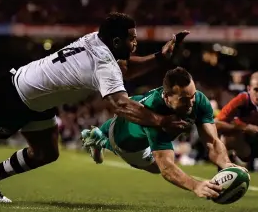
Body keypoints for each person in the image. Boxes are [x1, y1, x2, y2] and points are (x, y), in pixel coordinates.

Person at [0, 12, 189, 202]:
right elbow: (121, 104)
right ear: (117, 41)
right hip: (13, 97)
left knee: (46, 153)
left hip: (36, 99)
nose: (136, 44)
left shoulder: (98, 39)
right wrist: (160, 122)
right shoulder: (104, 62)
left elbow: (123, 69)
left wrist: (161, 58)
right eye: (132, 39)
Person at [81, 67, 244, 199]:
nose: (190, 104)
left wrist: (226, 164)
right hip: (124, 139)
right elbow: (166, 167)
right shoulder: (156, 114)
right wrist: (196, 186)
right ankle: (101, 140)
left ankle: (96, 135)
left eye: (192, 96)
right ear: (166, 97)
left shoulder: (199, 101)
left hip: (133, 108)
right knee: (155, 168)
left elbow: (213, 141)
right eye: (184, 100)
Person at [215, 71, 258, 167]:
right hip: (245, 143)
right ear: (249, 89)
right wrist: (245, 127)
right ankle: (225, 172)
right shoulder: (242, 100)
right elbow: (216, 123)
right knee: (225, 139)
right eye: (256, 90)